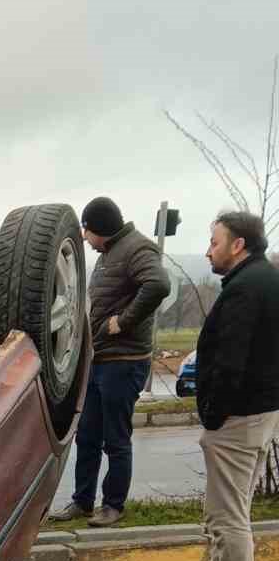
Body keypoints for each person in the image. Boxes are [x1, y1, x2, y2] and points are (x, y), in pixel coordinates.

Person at [159, 212, 279, 561]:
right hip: (253, 413)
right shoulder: (260, 279)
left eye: (214, 242)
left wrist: (213, 411)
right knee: (225, 510)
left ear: (238, 245)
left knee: (228, 516)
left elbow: (232, 361)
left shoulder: (247, 289)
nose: (208, 250)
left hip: (238, 418)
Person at [50, 197, 170, 527]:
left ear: (98, 228)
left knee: (115, 439)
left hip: (124, 361)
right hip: (99, 360)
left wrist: (125, 321)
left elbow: (159, 284)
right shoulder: (108, 254)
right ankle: (82, 501)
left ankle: (113, 506)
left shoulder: (137, 248)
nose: (85, 238)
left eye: (86, 231)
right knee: (87, 435)